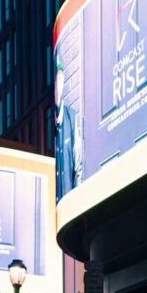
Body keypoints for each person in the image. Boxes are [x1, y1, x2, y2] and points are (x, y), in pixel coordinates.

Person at [54, 55, 82, 198]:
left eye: (60, 79)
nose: (58, 86)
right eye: (55, 80)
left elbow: (78, 164)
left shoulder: (71, 117)